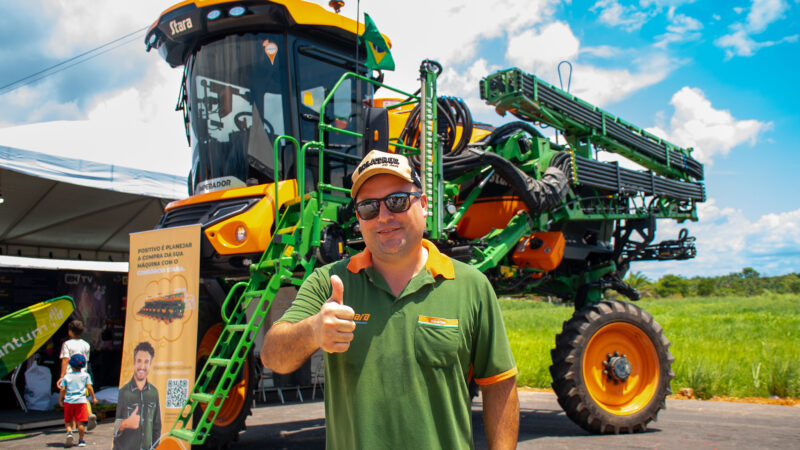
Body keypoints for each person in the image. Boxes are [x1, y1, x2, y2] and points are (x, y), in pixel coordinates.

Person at [262, 150, 520, 449]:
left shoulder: (470, 286)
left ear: (423, 205)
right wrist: (313, 331)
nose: (384, 216)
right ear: (359, 218)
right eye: (369, 207)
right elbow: (273, 356)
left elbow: (500, 383)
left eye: (397, 200)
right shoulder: (328, 283)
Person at [113, 341, 161, 450]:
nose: (142, 366)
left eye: (146, 362)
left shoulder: (154, 392)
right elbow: (114, 427)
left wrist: (154, 447)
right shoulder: (123, 392)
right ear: (134, 362)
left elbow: (157, 426)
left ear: (150, 364)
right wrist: (125, 424)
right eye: (139, 361)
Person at [59, 319, 97, 431]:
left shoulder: (67, 344)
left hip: (70, 375)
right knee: (83, 397)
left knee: (71, 400)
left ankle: (73, 426)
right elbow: (86, 360)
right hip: (83, 374)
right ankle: (89, 414)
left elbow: (65, 360)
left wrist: (62, 376)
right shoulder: (86, 345)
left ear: (70, 331)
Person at [59, 354, 97, 448]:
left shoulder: (67, 376)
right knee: (81, 422)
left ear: (71, 365)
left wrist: (61, 399)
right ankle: (81, 440)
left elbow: (63, 389)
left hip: (69, 401)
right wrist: (93, 398)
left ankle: (69, 433)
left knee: (68, 421)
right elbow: (89, 387)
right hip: (81, 401)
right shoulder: (85, 375)